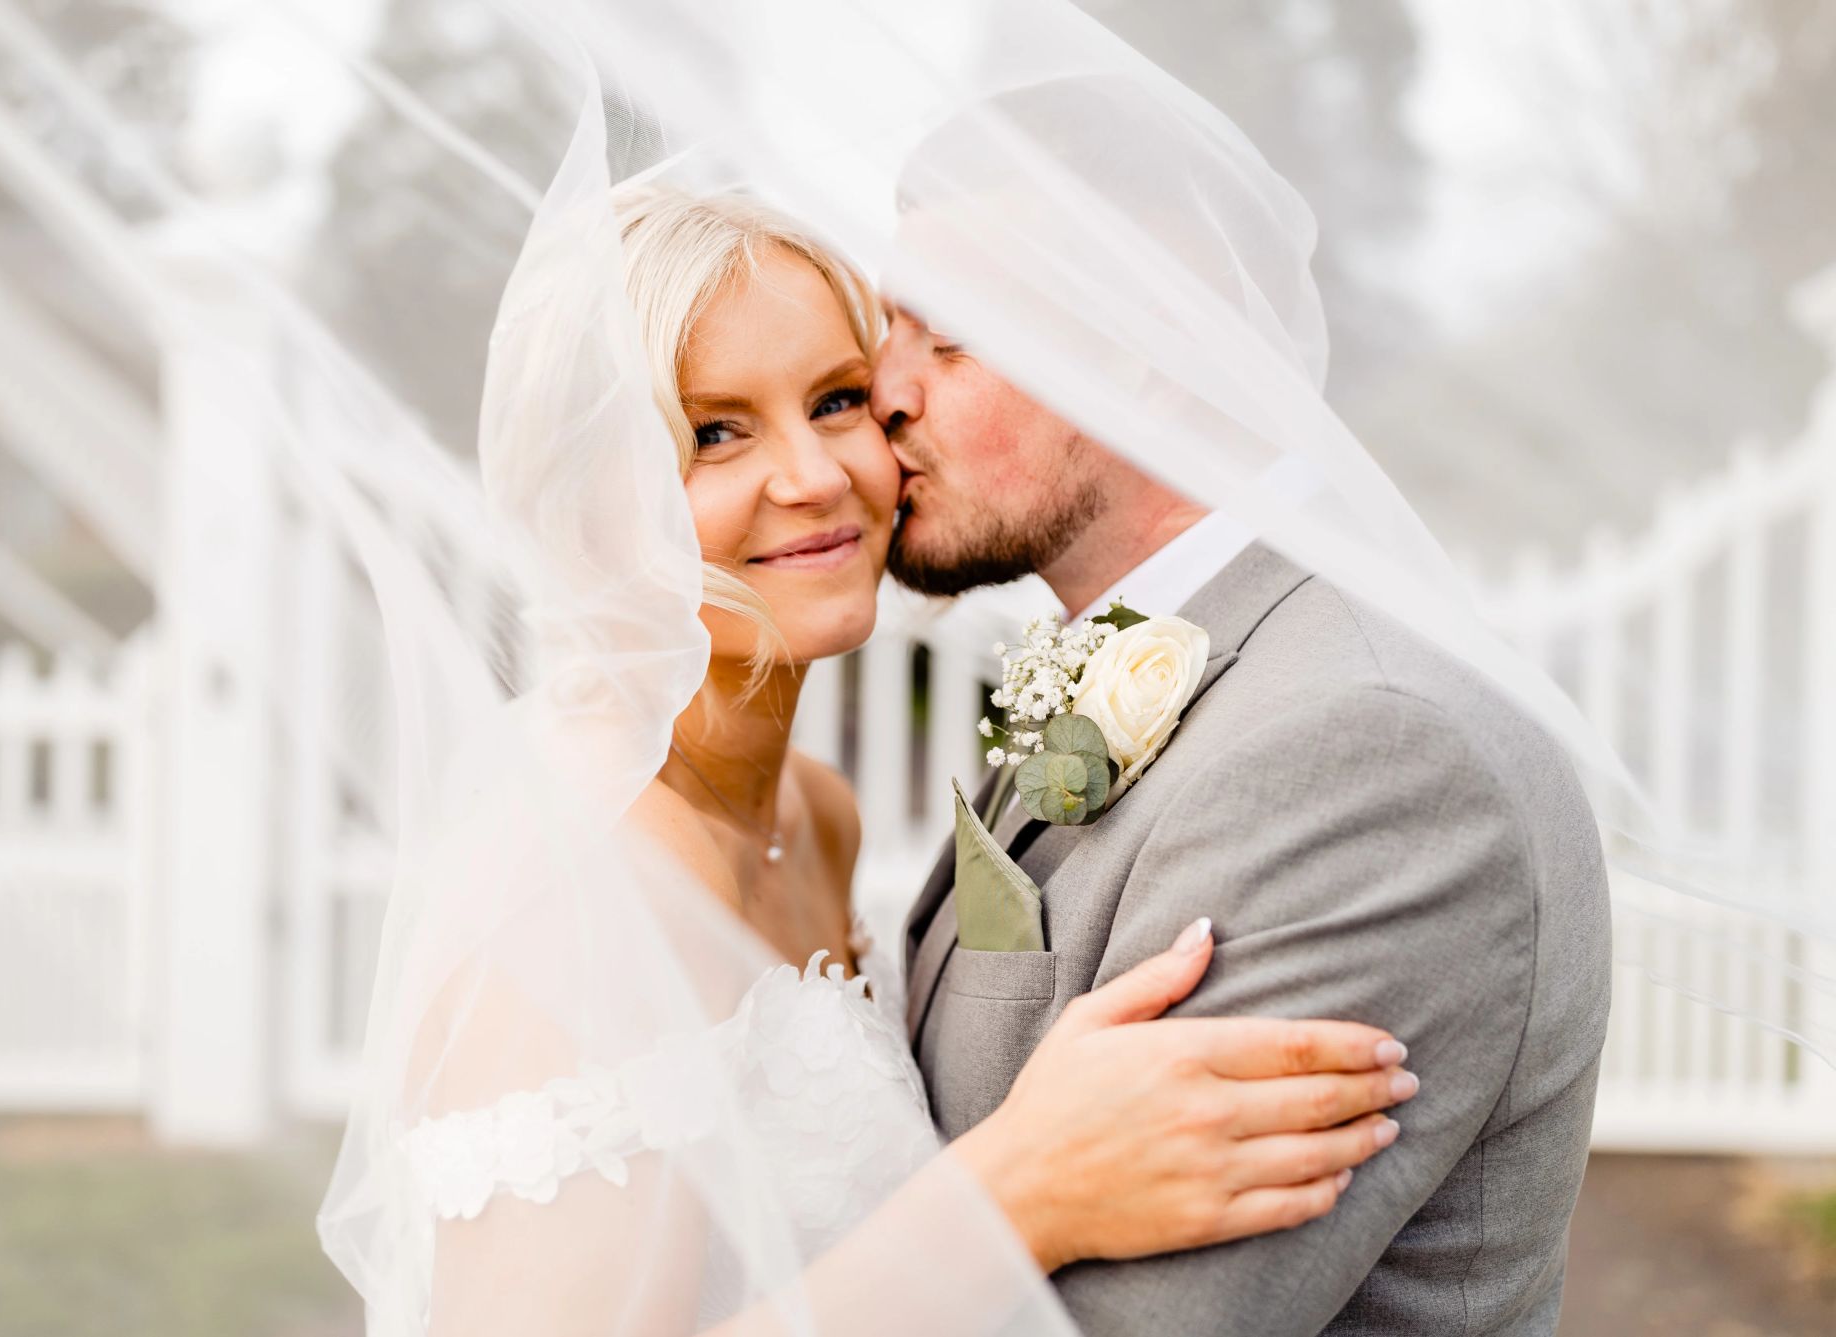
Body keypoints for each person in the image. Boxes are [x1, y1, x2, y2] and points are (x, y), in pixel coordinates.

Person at [400, 187, 1417, 1335]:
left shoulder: (811, 814)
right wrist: (1019, 1190)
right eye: (714, 432)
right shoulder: (573, 878)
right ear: (585, 501)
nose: (814, 474)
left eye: (836, 400)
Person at [879, 86, 1614, 1335]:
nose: (880, 389)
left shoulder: (1370, 756)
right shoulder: (1128, 655)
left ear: (1157, 355)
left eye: (948, 336)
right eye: (885, 326)